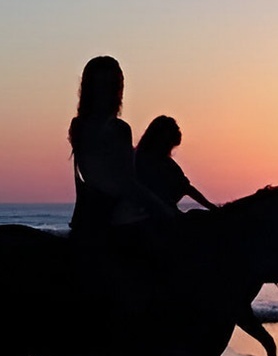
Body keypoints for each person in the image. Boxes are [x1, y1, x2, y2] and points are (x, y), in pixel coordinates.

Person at [68, 56, 176, 246]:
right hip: (122, 220)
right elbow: (128, 184)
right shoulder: (119, 129)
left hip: (88, 221)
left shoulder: (78, 126)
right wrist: (163, 210)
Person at [134, 116, 218, 212]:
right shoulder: (143, 159)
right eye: (169, 145)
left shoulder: (166, 162)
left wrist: (211, 207)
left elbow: (186, 187)